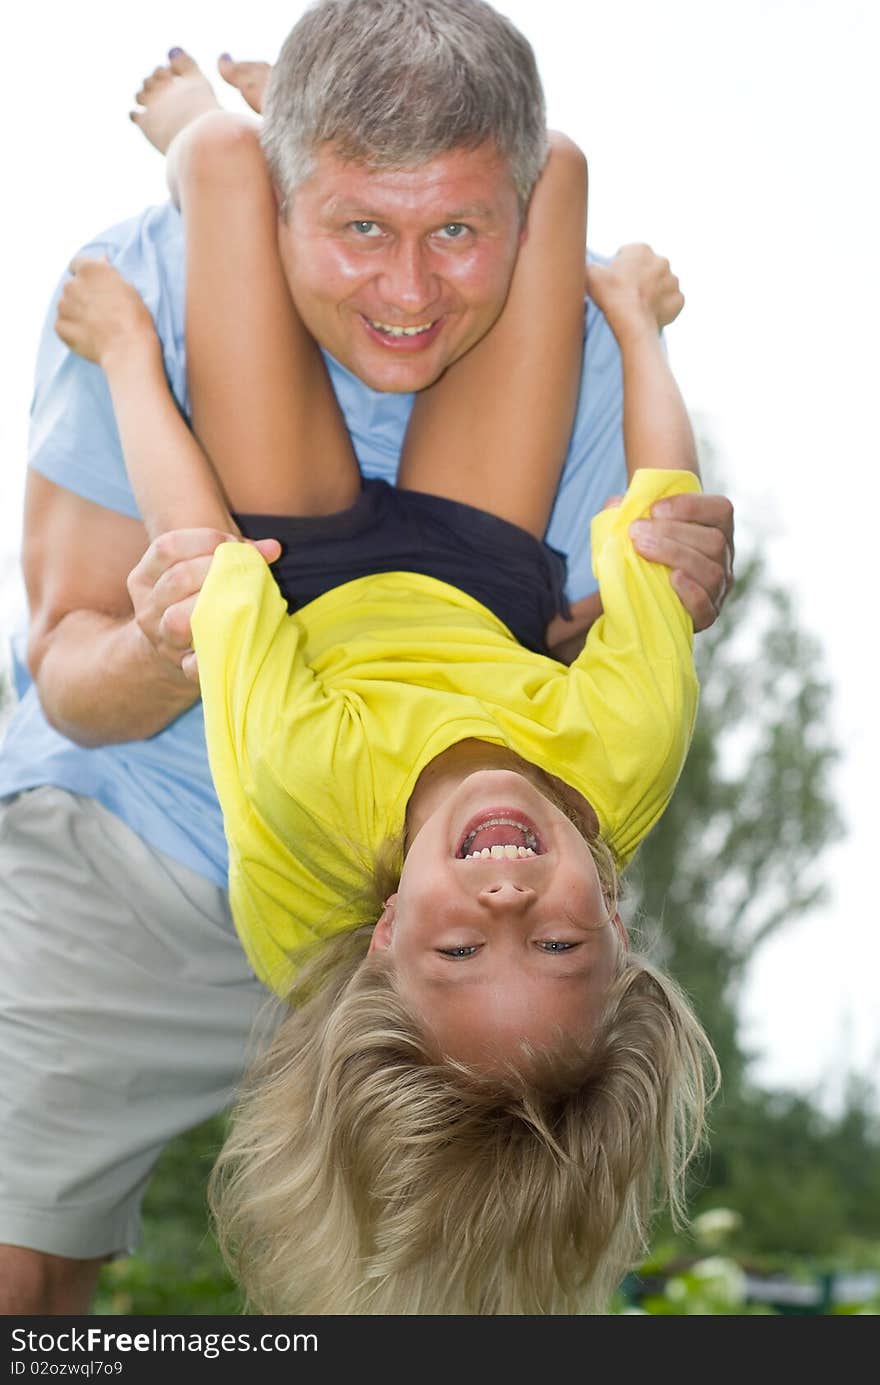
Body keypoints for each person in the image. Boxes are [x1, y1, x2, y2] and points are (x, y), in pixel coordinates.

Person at [0, 0, 732, 1314]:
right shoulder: (620, 763)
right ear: (610, 920)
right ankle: (279, 143)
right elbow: (65, 671)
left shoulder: (309, 790)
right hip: (212, 788)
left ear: (391, 929)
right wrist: (637, 339)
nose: (409, 293)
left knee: (214, 156)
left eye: (455, 229)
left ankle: (227, 140)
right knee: (562, 161)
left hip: (304, 608)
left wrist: (126, 367)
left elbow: (212, 551)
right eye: (360, 226)